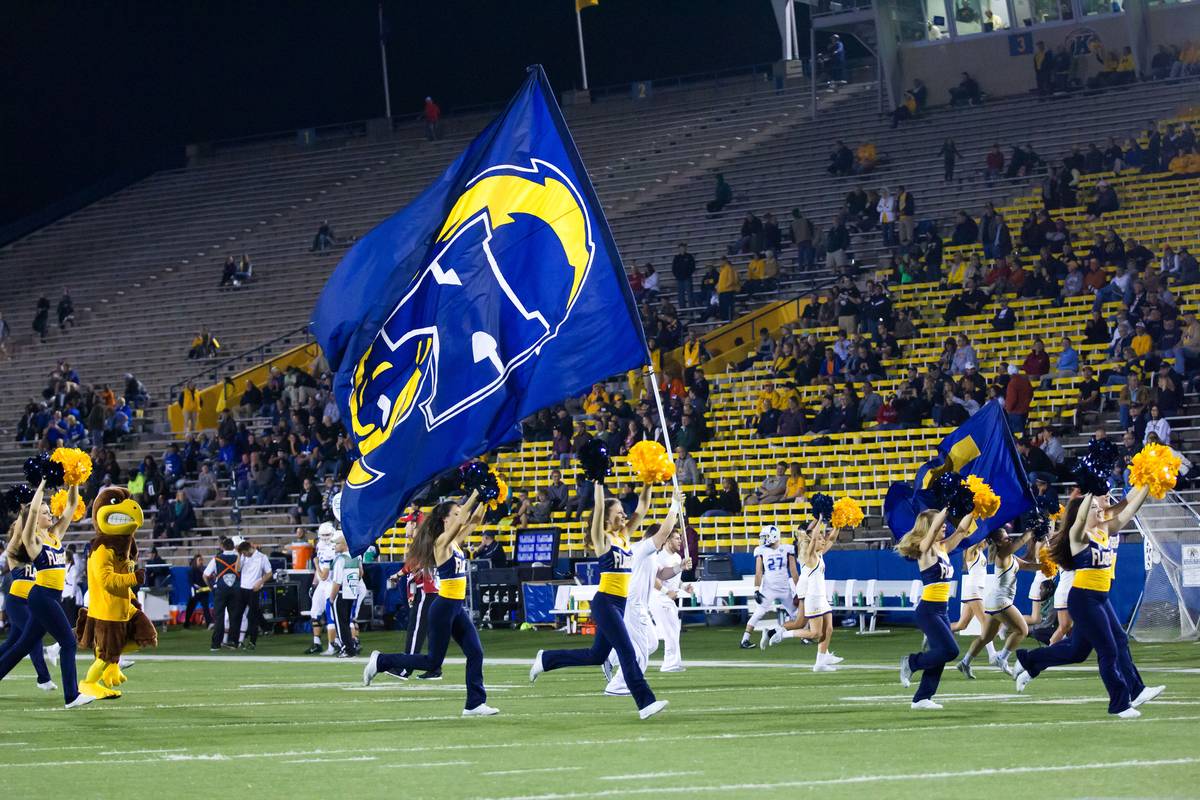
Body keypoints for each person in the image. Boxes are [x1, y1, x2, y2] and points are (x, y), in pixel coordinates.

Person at [1014, 489, 1165, 717]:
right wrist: (1090, 491)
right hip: (1084, 599)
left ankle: (1030, 660)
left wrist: (1146, 485)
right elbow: (1082, 516)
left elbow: (1130, 509)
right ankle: (1121, 703)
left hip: (1100, 599)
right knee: (1109, 650)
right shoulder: (1078, 536)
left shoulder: (1104, 530)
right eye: (1094, 508)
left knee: (1078, 651)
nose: (1099, 511)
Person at [530, 482, 673, 720]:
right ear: (607, 518)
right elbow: (597, 510)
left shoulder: (624, 536)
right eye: (618, 512)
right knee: (627, 651)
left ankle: (546, 659)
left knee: (596, 655)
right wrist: (597, 483)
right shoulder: (603, 539)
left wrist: (650, 481)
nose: (624, 515)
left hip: (619, 603)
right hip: (605, 603)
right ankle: (645, 702)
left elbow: (643, 507)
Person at [364, 493, 499, 716]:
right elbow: (465, 517)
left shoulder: (454, 542)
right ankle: (381, 661)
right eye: (455, 514)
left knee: (476, 652)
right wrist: (475, 494)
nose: (459, 517)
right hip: (444, 606)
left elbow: (474, 521)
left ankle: (474, 703)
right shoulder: (441, 542)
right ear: (445, 520)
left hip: (456, 607)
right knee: (432, 661)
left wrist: (487, 498)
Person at [0, 481, 94, 708]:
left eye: (48, 511)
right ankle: (71, 696)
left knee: (23, 645)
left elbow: (71, 506)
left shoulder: (55, 536)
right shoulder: (32, 541)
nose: (49, 514)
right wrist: (42, 483)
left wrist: (74, 480)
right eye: (44, 512)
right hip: (42, 597)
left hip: (50, 598)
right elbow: (31, 511)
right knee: (68, 642)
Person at [602, 492, 682, 698]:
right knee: (640, 653)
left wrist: (680, 567)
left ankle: (610, 657)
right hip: (632, 603)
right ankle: (619, 684)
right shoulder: (643, 549)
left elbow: (661, 574)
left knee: (652, 643)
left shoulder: (650, 555)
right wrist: (674, 506)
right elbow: (663, 533)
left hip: (639, 605)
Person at [896, 507, 976, 710]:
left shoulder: (943, 548)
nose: (945, 527)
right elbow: (931, 532)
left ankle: (922, 698)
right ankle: (912, 662)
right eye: (941, 524)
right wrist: (948, 506)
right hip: (928, 610)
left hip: (942, 610)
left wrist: (972, 508)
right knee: (950, 650)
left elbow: (961, 530)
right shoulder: (926, 549)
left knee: (939, 653)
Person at [768, 520, 845, 672]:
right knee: (815, 633)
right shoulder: (808, 558)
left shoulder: (819, 554)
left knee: (828, 629)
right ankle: (783, 635)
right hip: (813, 599)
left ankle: (820, 661)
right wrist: (821, 519)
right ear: (813, 542)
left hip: (822, 598)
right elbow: (815, 537)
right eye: (820, 539)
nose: (824, 541)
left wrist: (839, 523)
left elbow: (832, 538)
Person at [957, 527, 1034, 678]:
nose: (1009, 540)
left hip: (992, 600)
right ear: (999, 543)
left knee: (984, 637)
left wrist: (1048, 567)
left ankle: (965, 662)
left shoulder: (1010, 556)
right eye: (1006, 538)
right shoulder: (1002, 555)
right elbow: (1019, 541)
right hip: (999, 601)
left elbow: (1027, 565)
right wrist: (1030, 532)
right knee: (1022, 630)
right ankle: (1001, 657)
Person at [0, 529, 56, 692]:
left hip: (31, 603)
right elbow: (18, 535)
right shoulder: (13, 553)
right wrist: (25, 519)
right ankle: (43, 678)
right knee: (34, 638)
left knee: (12, 642)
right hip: (17, 602)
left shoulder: (34, 552)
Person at [739, 524, 800, 649]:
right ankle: (745, 639)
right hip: (769, 588)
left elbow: (794, 572)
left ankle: (804, 636)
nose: (763, 539)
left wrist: (799, 589)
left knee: (797, 615)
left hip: (784, 589)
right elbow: (758, 572)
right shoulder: (761, 550)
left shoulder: (787, 549)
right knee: (759, 612)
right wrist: (756, 589)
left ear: (774, 536)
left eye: (766, 536)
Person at [650, 529, 692, 673]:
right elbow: (654, 579)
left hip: (668, 599)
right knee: (669, 632)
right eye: (676, 538)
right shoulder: (659, 557)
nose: (680, 541)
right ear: (667, 541)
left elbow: (675, 579)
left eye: (680, 538)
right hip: (659, 598)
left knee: (673, 630)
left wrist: (684, 587)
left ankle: (674, 662)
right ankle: (669, 664)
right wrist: (666, 592)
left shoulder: (677, 557)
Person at [949, 542, 996, 663]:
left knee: (961, 625)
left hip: (976, 590)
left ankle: (934, 632)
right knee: (985, 622)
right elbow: (979, 539)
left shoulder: (979, 551)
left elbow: (985, 541)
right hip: (973, 589)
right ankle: (993, 655)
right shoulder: (970, 551)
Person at [228, 539, 273, 650]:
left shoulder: (262, 557)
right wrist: (239, 555)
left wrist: (260, 582)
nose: (244, 555)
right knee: (236, 615)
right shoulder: (243, 556)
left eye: (244, 553)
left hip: (254, 590)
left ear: (249, 549)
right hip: (242, 589)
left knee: (252, 617)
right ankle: (234, 641)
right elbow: (237, 569)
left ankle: (252, 642)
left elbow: (269, 573)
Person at [304, 523, 338, 655]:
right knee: (314, 613)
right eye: (322, 535)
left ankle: (332, 645)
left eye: (327, 535)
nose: (324, 538)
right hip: (322, 584)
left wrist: (316, 564)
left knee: (331, 616)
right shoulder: (319, 546)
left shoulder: (333, 549)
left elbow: (324, 575)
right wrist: (314, 583)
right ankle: (317, 643)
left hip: (330, 583)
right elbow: (320, 576)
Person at [204, 537, 241, 651]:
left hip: (220, 590)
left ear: (222, 547)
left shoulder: (217, 559)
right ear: (233, 547)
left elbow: (205, 575)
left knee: (219, 617)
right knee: (234, 617)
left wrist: (211, 588)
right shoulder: (238, 558)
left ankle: (216, 644)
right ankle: (233, 642)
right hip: (235, 590)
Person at [329, 533, 362, 657]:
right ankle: (350, 648)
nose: (335, 546)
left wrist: (332, 598)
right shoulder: (356, 557)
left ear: (344, 544)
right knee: (346, 622)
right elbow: (360, 573)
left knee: (340, 623)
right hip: (351, 592)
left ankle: (347, 648)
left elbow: (337, 582)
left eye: (337, 543)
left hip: (341, 593)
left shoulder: (340, 559)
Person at [182, 553, 212, 629]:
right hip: (195, 593)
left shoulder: (204, 570)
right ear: (195, 561)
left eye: (202, 560)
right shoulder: (191, 571)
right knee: (190, 607)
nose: (201, 561)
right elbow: (191, 582)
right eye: (200, 560)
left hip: (204, 592)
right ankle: (186, 624)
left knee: (206, 608)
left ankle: (209, 623)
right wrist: (196, 588)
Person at [671, 243, 696, 308]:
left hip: (687, 278)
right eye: (681, 248)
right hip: (679, 279)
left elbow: (692, 267)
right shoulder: (676, 258)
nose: (682, 249)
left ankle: (691, 308)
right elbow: (674, 269)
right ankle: (683, 310)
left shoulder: (689, 256)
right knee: (680, 295)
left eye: (683, 248)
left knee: (690, 294)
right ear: (679, 249)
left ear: (686, 248)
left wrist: (687, 274)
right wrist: (677, 276)